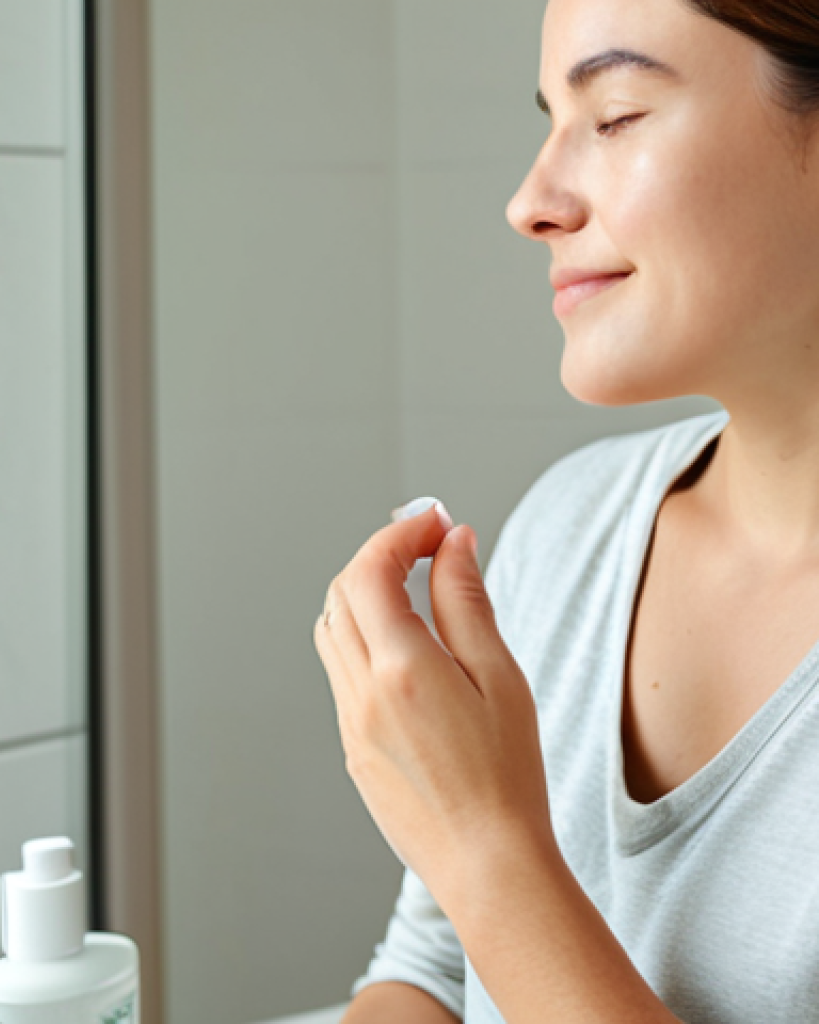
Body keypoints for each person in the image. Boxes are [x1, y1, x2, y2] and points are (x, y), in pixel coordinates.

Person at [312, 0, 819, 1021]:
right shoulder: (569, 523)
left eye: (617, 113)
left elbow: (484, 899)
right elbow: (430, 975)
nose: (529, 201)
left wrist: (486, 848)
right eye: (549, 119)